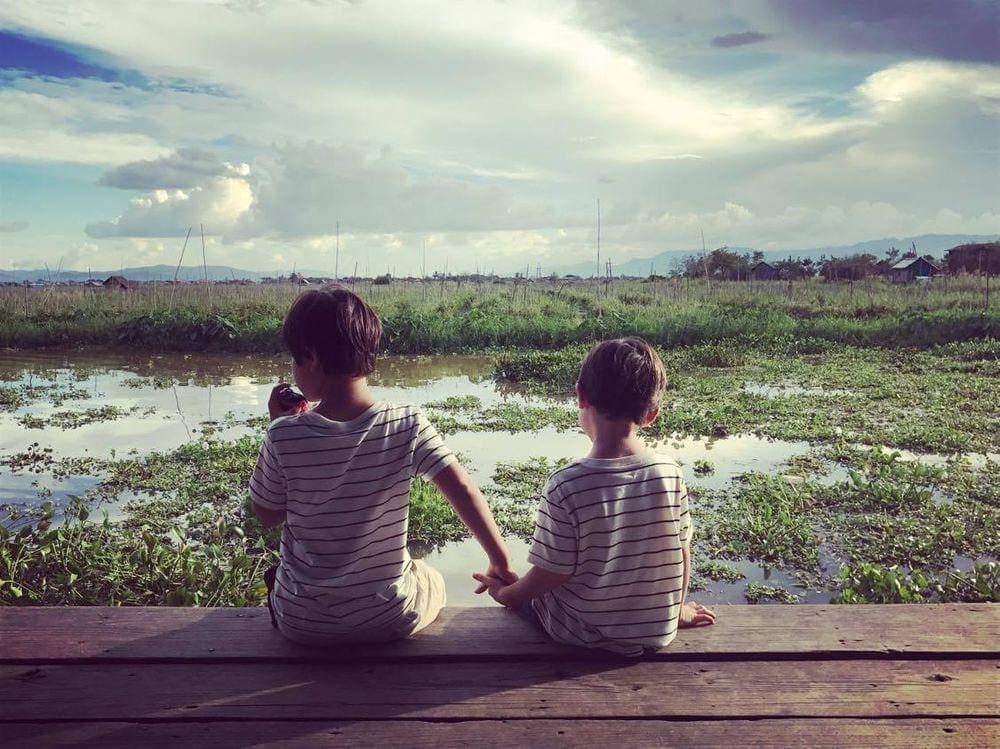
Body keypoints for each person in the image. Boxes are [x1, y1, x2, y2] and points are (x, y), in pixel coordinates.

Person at [250, 285, 516, 644]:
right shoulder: (407, 423)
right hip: (388, 616)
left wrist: (280, 425)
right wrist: (500, 560)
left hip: (304, 623)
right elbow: (464, 489)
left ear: (311, 357)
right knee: (429, 576)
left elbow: (267, 515)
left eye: (295, 359)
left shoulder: (284, 436)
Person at [474, 337, 715, 655]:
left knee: (527, 599)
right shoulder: (669, 472)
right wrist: (676, 611)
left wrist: (507, 595)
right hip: (657, 631)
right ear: (651, 414)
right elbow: (682, 553)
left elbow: (551, 574)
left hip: (581, 633)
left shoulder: (566, 485)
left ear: (580, 395)